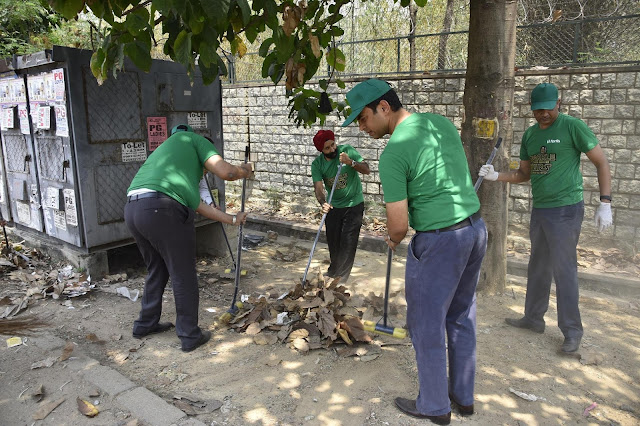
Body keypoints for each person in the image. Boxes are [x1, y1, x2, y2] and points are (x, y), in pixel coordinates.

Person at [342, 79, 487, 425]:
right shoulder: (439, 122)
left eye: (362, 118)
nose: (362, 128)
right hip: (474, 230)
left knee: (426, 324)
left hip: (440, 242)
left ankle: (435, 406)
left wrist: (392, 240)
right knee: (462, 314)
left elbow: (397, 226)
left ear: (383, 107)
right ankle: (463, 398)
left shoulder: (394, 152)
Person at [479, 82, 612, 354]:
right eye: (537, 110)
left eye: (547, 109)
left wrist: (605, 202)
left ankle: (572, 332)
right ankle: (533, 318)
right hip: (541, 210)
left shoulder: (572, 127)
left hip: (566, 210)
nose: (543, 114)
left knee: (565, 271)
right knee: (538, 266)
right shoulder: (530, 136)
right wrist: (496, 175)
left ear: (558, 104)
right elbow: (523, 174)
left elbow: (601, 162)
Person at [125, 124, 252, 352]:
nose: (205, 173)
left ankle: (145, 324)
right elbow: (227, 172)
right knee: (183, 273)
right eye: (206, 168)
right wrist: (245, 171)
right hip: (162, 210)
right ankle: (189, 335)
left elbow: (201, 206)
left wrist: (233, 219)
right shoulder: (194, 140)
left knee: (158, 268)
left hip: (134, 209)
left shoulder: (170, 160)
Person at [311, 129, 370, 282]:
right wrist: (323, 203)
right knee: (334, 242)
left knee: (348, 242)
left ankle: (341, 279)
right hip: (334, 206)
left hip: (354, 204)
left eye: (333, 145)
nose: (332, 150)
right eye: (327, 148)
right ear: (321, 150)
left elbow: (366, 169)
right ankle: (333, 271)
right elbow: (318, 188)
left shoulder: (346, 151)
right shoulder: (317, 165)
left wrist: (351, 162)